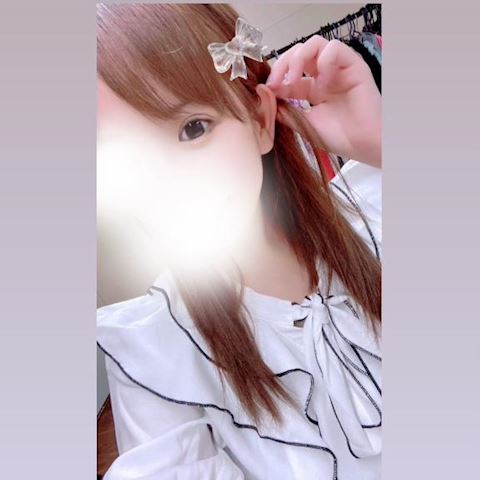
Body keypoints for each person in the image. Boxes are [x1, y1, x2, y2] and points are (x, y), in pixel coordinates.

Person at [96, 4, 382, 479]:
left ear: (261, 121)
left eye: (193, 128)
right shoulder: (157, 355)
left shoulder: (374, 214)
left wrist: (382, 144)